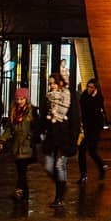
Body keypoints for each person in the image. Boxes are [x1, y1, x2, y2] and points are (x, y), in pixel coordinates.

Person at [41, 72, 80, 208]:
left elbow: (75, 119)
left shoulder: (69, 97)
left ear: (60, 83)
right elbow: (43, 117)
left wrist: (73, 140)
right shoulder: (48, 98)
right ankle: (62, 185)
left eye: (54, 83)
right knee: (48, 166)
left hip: (64, 137)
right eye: (50, 83)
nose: (52, 86)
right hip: (51, 137)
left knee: (59, 166)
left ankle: (59, 197)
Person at [0, 87, 39, 202]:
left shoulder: (31, 112)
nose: (19, 101)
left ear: (26, 99)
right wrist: (2, 140)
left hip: (27, 147)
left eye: (22, 99)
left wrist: (32, 137)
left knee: (22, 170)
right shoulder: (13, 112)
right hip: (16, 147)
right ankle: (25, 195)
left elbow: (37, 127)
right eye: (18, 99)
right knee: (21, 171)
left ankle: (18, 191)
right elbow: (9, 129)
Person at [78, 77, 108, 182]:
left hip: (95, 128)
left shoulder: (98, 98)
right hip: (86, 127)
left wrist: (94, 98)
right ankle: (83, 175)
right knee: (82, 150)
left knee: (91, 151)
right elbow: (84, 108)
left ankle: (101, 166)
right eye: (88, 86)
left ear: (96, 88)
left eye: (91, 87)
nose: (89, 89)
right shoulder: (84, 96)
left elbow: (96, 112)